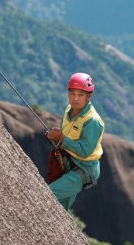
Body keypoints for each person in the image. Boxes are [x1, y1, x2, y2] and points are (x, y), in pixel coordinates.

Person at [46, 72, 105, 211]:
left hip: (84, 168)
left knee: (47, 195)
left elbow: (85, 151)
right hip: (69, 162)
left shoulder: (92, 121)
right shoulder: (69, 110)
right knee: (60, 208)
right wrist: (56, 138)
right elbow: (65, 134)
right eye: (72, 94)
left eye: (81, 95)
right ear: (68, 94)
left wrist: (61, 138)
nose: (75, 99)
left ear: (88, 96)